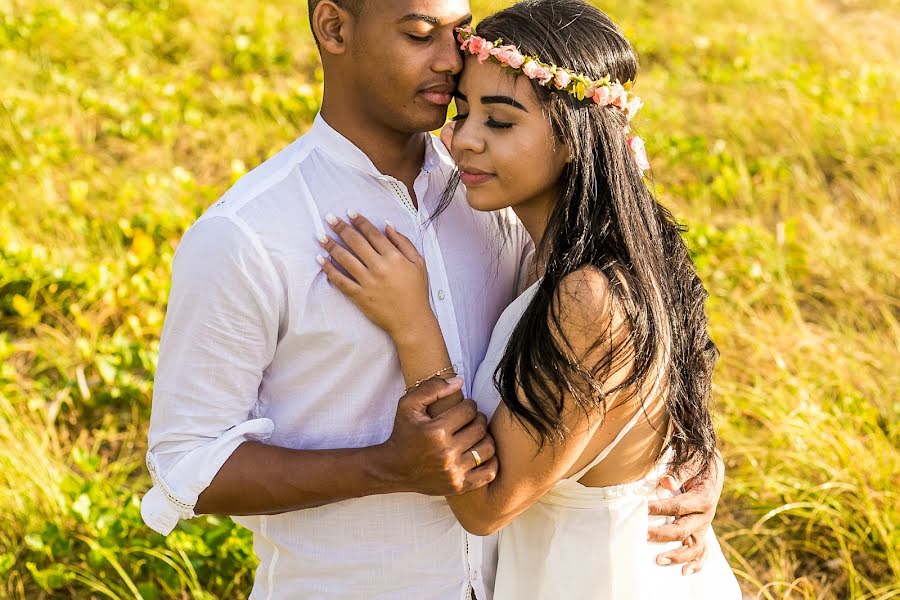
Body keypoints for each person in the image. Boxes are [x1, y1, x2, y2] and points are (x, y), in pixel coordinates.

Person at [141, 0, 726, 597]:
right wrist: (383, 468)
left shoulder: (492, 190)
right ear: (334, 28)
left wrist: (688, 454)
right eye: (421, 34)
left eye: (461, 34)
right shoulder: (249, 234)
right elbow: (188, 465)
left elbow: (612, 353)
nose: (451, 61)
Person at [316, 0, 742, 598]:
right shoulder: (571, 244)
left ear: (575, 137)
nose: (462, 140)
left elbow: (487, 507)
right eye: (463, 113)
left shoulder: (588, 294)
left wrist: (413, 323)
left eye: (501, 121)